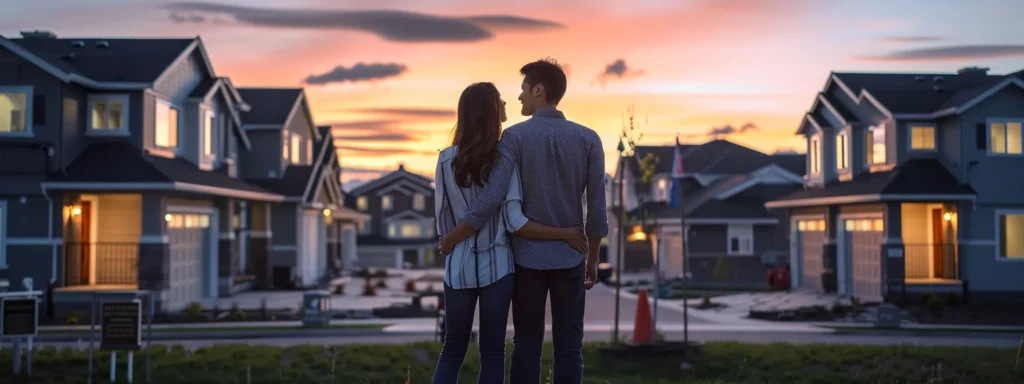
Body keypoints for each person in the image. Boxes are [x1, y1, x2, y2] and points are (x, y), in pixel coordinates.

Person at [439, 59, 608, 384]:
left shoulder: (513, 139)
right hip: (570, 258)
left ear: (539, 90)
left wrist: (456, 234)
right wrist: (593, 256)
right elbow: (597, 209)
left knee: (527, 344)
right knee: (570, 346)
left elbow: (491, 198)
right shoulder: (589, 139)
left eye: (523, 90)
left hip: (526, 261)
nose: (519, 98)